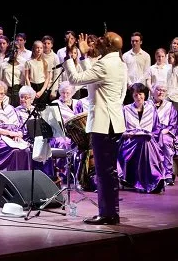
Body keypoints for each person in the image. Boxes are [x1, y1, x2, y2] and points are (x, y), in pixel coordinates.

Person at [64, 31, 127, 225]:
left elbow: (76, 79)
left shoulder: (105, 64)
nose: (97, 41)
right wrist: (84, 58)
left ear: (108, 46)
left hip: (104, 123)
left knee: (103, 172)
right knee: (109, 172)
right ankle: (111, 212)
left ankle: (108, 214)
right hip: (114, 122)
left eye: (102, 39)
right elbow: (93, 77)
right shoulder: (119, 63)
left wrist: (72, 56)